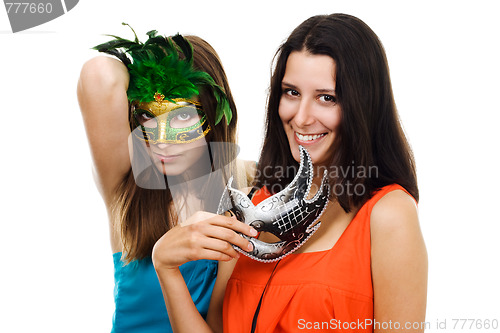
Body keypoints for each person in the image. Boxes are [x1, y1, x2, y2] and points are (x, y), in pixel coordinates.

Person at [153, 13, 428, 333]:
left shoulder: (389, 215)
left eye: (326, 97)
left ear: (362, 104)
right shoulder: (257, 201)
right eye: (292, 93)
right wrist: (165, 267)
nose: (301, 117)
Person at [77, 27, 256, 333]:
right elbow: (99, 74)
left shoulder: (248, 188)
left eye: (182, 116)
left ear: (213, 113)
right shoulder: (126, 187)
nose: (160, 142)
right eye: (148, 116)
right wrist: (151, 70)